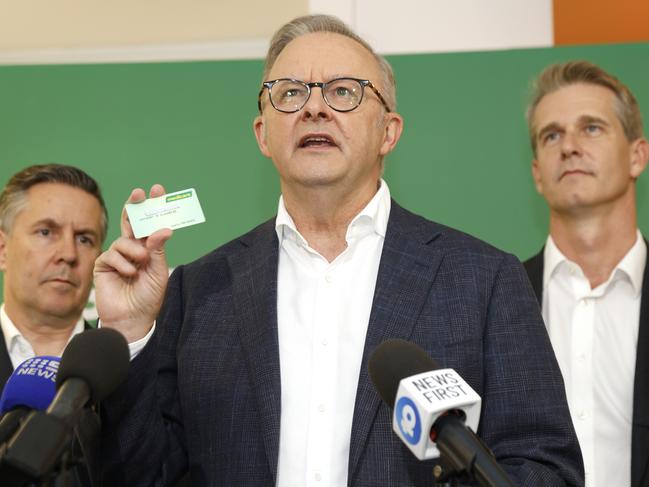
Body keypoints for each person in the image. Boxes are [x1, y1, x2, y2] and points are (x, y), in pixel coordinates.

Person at [95, 15, 583, 486]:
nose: (313, 109)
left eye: (343, 92)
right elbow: (140, 475)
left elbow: (544, 466)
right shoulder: (198, 291)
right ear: (263, 135)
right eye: (289, 93)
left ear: (388, 132)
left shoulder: (483, 279)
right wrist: (130, 334)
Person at [523, 61, 649, 487]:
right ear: (538, 174)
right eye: (552, 135)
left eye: (591, 128)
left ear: (637, 155)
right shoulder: (496, 297)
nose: (570, 147)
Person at [0, 163, 108, 386]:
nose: (68, 254)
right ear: (3, 249)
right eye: (46, 232)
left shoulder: (123, 373)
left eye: (84, 239)